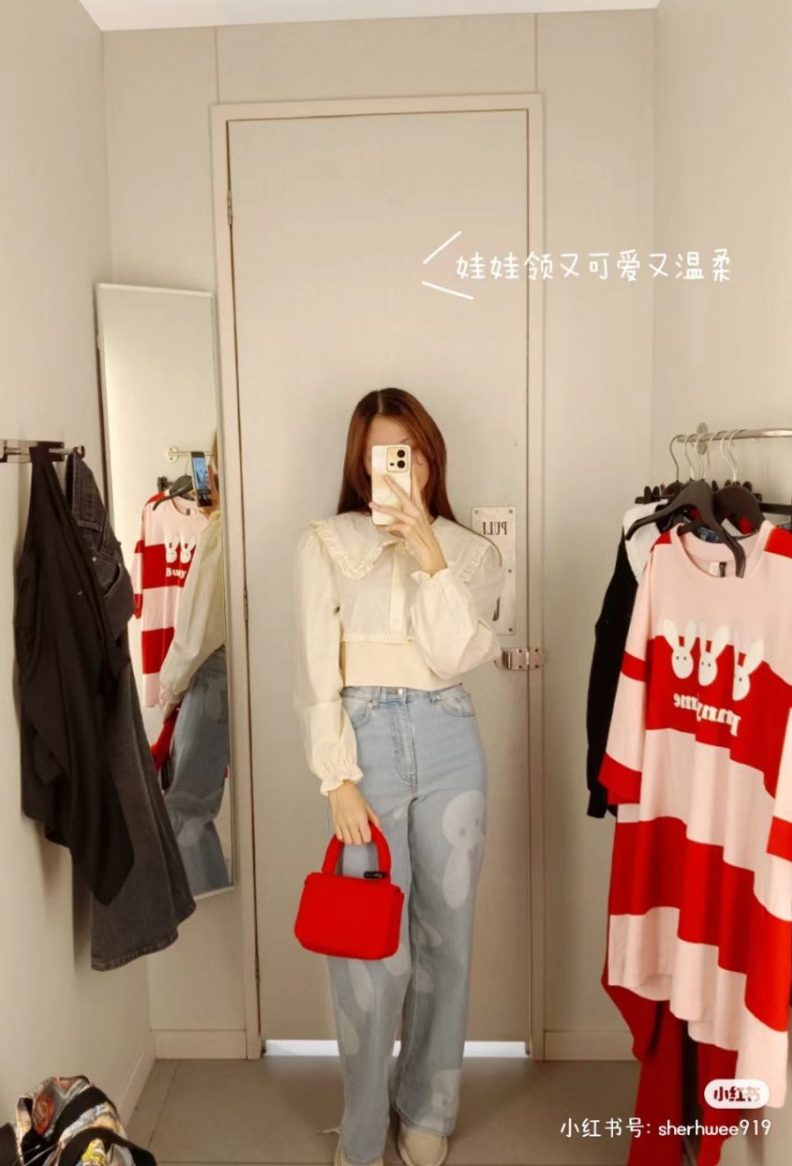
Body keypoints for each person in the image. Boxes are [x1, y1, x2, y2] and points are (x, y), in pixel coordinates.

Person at [293, 388, 506, 1166]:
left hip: (451, 740)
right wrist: (337, 777)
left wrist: (429, 557)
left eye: (408, 454)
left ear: (429, 458)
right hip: (365, 746)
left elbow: (455, 656)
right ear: (360, 463)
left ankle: (428, 1108)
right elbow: (314, 668)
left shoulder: (471, 554)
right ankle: (361, 1123)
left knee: (447, 944)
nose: (396, 470)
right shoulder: (326, 543)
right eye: (383, 455)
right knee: (368, 952)